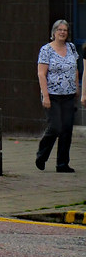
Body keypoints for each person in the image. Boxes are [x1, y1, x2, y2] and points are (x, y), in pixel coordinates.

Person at [35, 19, 80, 173]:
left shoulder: (72, 48)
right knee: (55, 127)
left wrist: (77, 88)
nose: (62, 32)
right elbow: (41, 74)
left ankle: (62, 164)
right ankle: (42, 155)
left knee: (67, 129)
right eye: (59, 30)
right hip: (52, 95)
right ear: (54, 32)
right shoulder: (46, 50)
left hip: (68, 95)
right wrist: (45, 96)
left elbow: (75, 69)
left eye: (65, 30)